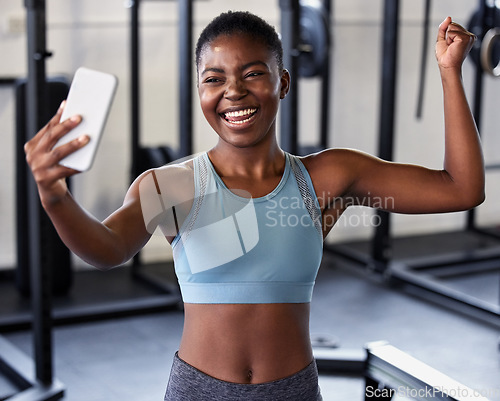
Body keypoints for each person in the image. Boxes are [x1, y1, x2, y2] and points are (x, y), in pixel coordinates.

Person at [24, 10, 484, 401]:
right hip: (197, 390)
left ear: (282, 82)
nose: (234, 91)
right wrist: (54, 195)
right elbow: (106, 250)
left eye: (252, 73)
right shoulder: (173, 185)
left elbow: (460, 189)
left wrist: (449, 72)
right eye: (214, 79)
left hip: (294, 389)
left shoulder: (327, 179)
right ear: (201, 92)